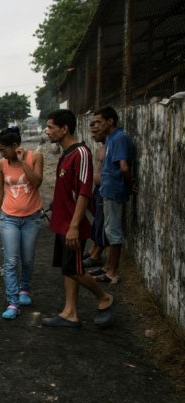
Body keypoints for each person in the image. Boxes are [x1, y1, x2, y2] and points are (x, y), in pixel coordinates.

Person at [41, 109, 115, 328]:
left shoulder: (81, 153)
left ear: (64, 129)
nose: (48, 131)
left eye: (51, 127)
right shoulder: (66, 153)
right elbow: (69, 189)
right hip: (62, 221)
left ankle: (104, 297)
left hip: (72, 224)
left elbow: (84, 192)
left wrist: (74, 226)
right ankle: (70, 312)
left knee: (73, 269)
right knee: (68, 268)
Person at [0, 127, 44, 319]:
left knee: (27, 259)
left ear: (15, 146)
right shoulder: (0, 164)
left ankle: (24, 290)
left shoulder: (35, 157)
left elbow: (37, 182)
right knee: (11, 261)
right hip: (8, 218)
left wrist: (22, 163)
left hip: (31, 218)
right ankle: (12, 303)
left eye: (3, 149)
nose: (1, 154)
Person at [92, 106, 135, 284]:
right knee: (109, 229)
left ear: (110, 121)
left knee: (113, 231)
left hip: (114, 189)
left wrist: (130, 183)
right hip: (108, 189)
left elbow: (123, 166)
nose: (97, 126)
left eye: (100, 122)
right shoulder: (111, 139)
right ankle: (107, 267)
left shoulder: (119, 138)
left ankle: (112, 272)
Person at [83, 119, 108, 271]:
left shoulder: (111, 147)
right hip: (98, 189)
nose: (93, 136)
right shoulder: (101, 148)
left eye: (96, 132)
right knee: (97, 220)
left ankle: (97, 254)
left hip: (106, 189)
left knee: (102, 221)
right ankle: (94, 249)